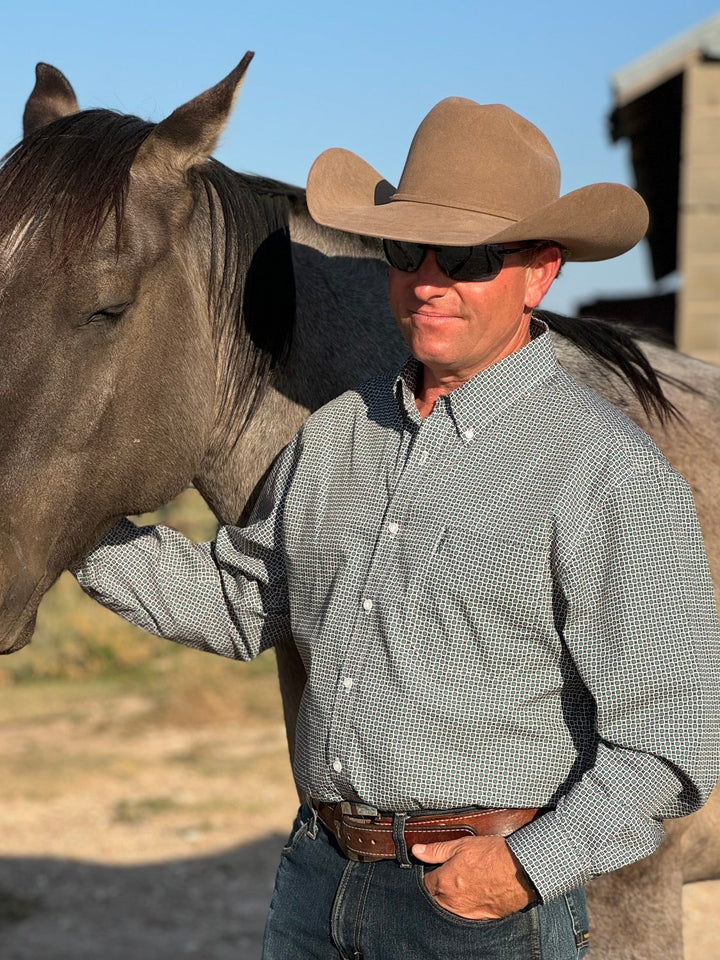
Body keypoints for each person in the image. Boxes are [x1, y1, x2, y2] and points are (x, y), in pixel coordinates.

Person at [75, 97, 720, 959]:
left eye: (467, 257)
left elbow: (673, 743)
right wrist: (65, 524)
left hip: (482, 912)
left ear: (540, 273)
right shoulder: (340, 433)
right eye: (404, 251)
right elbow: (241, 602)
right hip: (319, 884)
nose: (428, 279)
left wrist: (522, 871)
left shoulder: (608, 473)